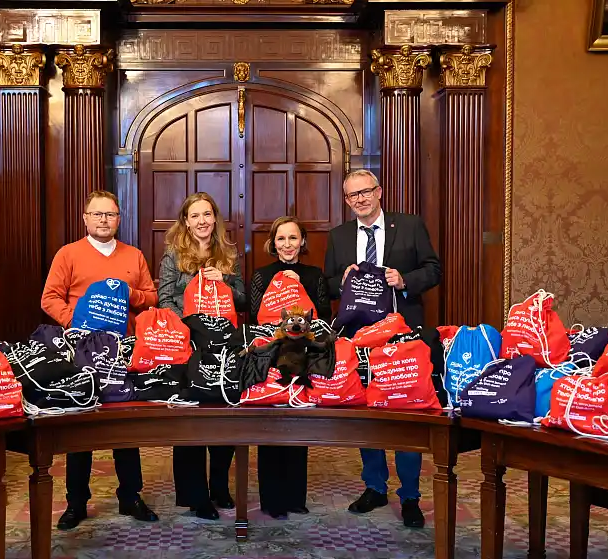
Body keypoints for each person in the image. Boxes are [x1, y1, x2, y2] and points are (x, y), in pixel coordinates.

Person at [323, 169, 441, 528]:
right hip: (360, 336)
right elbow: (327, 285)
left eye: (365, 192)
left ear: (379, 192)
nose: (359, 199)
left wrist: (405, 280)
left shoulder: (409, 226)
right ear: (346, 201)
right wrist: (340, 281)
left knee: (405, 414)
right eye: (351, 195)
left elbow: (434, 270)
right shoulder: (339, 236)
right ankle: (374, 486)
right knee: (367, 412)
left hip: (403, 335)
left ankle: (409, 495)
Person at [41, 190, 159, 529]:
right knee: (83, 426)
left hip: (123, 350)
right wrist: (76, 324)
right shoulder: (69, 254)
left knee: (124, 424)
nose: (104, 220)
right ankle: (76, 502)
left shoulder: (133, 255)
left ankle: (130, 496)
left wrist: (129, 292)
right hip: (81, 349)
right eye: (97, 214)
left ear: (119, 219)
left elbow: (150, 298)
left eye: (110, 214)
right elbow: (49, 298)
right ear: (86, 218)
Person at [158, 192, 246, 521]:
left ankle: (220, 486)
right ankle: (196, 496)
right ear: (185, 221)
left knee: (223, 417)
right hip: (188, 346)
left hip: (223, 346)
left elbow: (242, 299)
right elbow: (164, 298)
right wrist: (189, 327)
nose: (202, 221)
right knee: (191, 421)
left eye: (207, 214)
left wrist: (224, 281)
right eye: (194, 216)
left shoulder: (229, 253)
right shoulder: (173, 256)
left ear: (215, 218)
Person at [249, 216, 331, 519]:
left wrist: (301, 290)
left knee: (299, 424)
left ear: (302, 242)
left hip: (304, 359)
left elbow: (323, 317)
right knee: (270, 424)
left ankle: (295, 497)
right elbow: (255, 318)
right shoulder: (262, 275)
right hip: (272, 358)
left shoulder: (314, 275)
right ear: (273, 243)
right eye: (281, 239)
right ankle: (272, 500)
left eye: (293, 238)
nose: (287, 244)